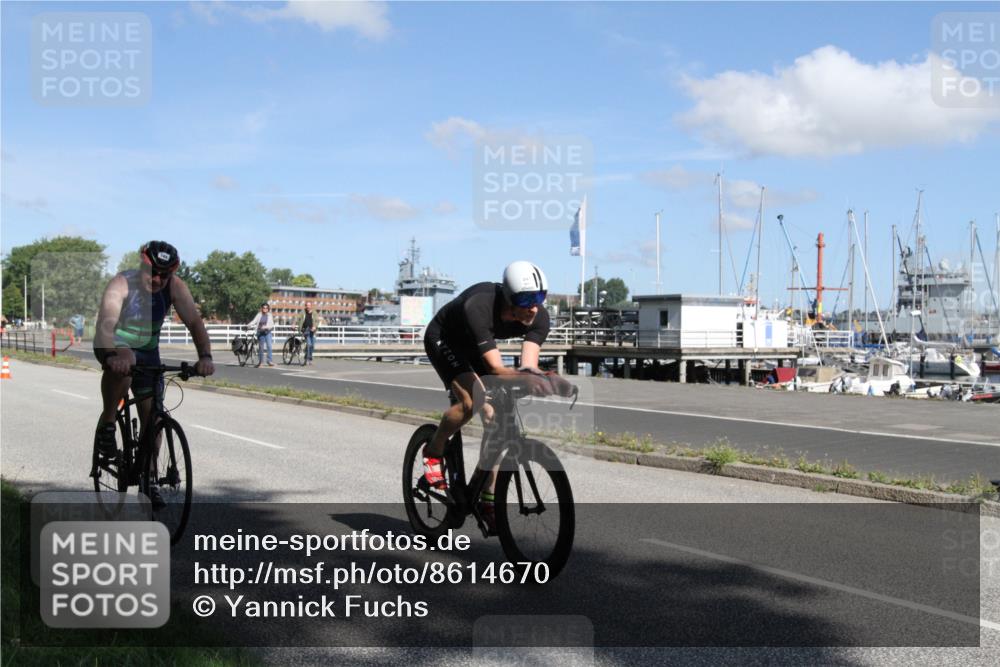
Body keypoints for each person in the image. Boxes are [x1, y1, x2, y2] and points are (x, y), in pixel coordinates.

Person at [421, 260, 572, 533]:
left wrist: (547, 380)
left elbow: (528, 368)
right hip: (444, 339)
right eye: (526, 299)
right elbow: (495, 369)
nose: (534, 307)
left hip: (475, 346)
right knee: (472, 402)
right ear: (509, 297)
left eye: (540, 298)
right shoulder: (480, 305)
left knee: (497, 422)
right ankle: (433, 450)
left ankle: (486, 498)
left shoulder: (538, 317)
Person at [93, 241, 215, 505]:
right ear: (142, 265)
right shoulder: (121, 283)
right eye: (153, 273)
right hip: (114, 343)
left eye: (164, 275)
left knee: (154, 419)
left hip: (149, 353)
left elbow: (195, 322)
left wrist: (205, 357)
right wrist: (112, 355)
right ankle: (108, 424)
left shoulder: (175, 287)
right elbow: (106, 323)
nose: (158, 279)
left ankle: (148, 479)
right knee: (127, 361)